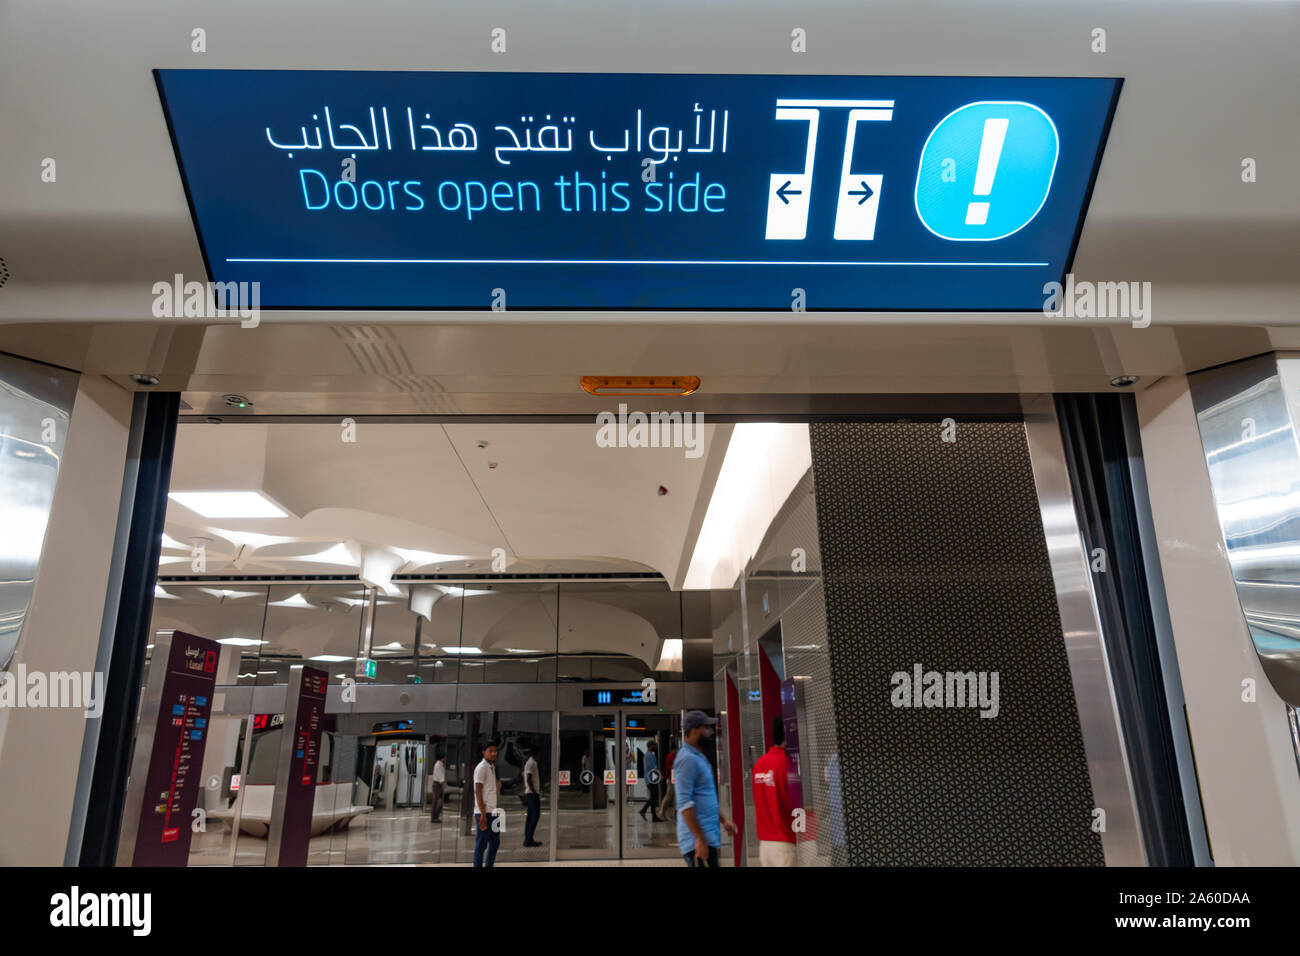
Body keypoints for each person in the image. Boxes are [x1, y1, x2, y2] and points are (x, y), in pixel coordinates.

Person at [675, 711, 735, 867]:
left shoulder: (698, 757)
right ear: (694, 731)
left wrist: (724, 821)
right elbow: (685, 804)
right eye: (705, 728)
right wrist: (700, 839)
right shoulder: (687, 759)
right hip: (697, 842)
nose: (710, 732)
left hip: (707, 837)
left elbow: (705, 796)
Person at [752, 716, 796, 866]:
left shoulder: (759, 764)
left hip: (765, 844)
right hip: (785, 842)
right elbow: (796, 804)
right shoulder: (788, 764)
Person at [473, 739, 503, 867]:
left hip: (494, 812)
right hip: (484, 813)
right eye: (490, 751)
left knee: (495, 842)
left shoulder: (492, 767)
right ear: (483, 752)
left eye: (495, 751)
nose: (493, 753)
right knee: (481, 844)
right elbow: (478, 791)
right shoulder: (481, 768)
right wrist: (483, 814)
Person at [522, 746, 542, 847]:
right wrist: (534, 791)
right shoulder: (531, 763)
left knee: (530, 817)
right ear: (536, 753)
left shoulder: (532, 762)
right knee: (535, 816)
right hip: (532, 794)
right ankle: (529, 839)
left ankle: (528, 838)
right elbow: (529, 778)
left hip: (530, 793)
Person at [639, 741, 662, 822]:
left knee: (653, 797)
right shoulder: (649, 755)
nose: (655, 747)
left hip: (650, 778)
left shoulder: (648, 755)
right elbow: (653, 768)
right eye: (654, 745)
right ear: (651, 746)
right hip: (651, 779)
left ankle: (654, 817)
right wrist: (659, 775)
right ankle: (643, 810)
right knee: (654, 796)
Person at [659, 738, 677, 819]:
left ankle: (675, 813)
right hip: (671, 779)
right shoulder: (672, 756)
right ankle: (662, 812)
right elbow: (671, 767)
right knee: (669, 795)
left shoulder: (671, 755)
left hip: (672, 778)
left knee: (673, 796)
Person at [429, 750, 446, 823]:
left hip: (438, 785)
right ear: (443, 758)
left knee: (438, 801)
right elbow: (441, 778)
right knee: (437, 802)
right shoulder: (438, 765)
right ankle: (434, 818)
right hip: (437, 785)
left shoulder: (440, 764)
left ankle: (436, 816)